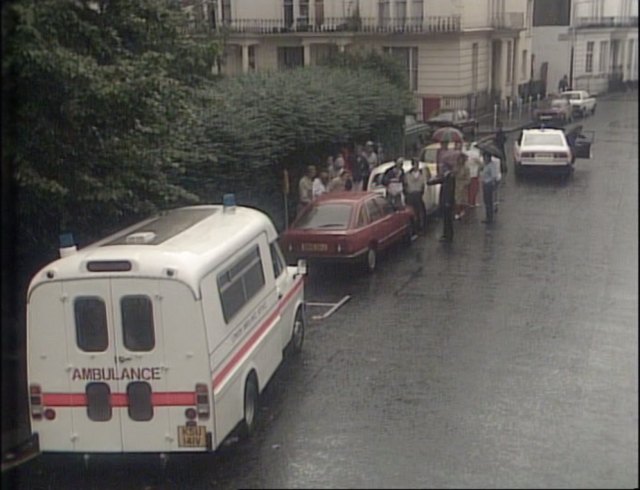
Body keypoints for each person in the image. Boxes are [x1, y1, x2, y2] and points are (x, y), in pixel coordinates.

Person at [427, 156, 456, 242]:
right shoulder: (446, 176)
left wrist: (447, 201)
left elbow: (450, 190)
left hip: (448, 201)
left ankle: (448, 236)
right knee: (446, 219)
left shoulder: (450, 177)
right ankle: (446, 234)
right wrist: (429, 181)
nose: (442, 169)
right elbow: (438, 180)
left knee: (448, 219)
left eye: (443, 167)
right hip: (445, 201)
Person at [404, 158, 427, 233]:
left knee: (420, 212)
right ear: (412, 165)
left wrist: (420, 193)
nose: (416, 166)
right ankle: (413, 228)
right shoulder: (407, 174)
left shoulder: (421, 174)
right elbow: (405, 184)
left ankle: (421, 228)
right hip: (411, 195)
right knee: (412, 213)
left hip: (418, 194)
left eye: (417, 164)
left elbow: (423, 185)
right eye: (414, 164)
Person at [480, 151, 500, 224]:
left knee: (489, 202)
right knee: (486, 201)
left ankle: (490, 218)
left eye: (485, 157)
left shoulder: (492, 165)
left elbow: (494, 176)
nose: (484, 158)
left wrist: (493, 184)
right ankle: (487, 216)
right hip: (485, 184)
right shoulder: (486, 165)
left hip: (489, 185)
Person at [453, 153, 470, 220]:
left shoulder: (466, 168)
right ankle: (457, 212)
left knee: (463, 200)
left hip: (463, 186)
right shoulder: (456, 167)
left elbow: (468, 178)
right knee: (457, 200)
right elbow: (453, 175)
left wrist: (465, 184)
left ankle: (462, 211)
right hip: (457, 185)